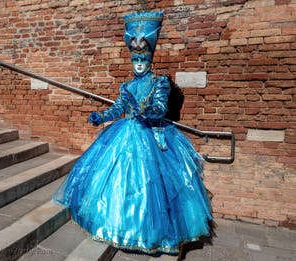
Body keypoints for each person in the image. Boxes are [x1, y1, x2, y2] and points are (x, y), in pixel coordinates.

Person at [53, 11, 213, 254]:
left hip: (150, 136)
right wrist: (102, 117)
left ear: (150, 62)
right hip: (124, 133)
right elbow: (118, 108)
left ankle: (154, 232)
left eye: (142, 61)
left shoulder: (160, 83)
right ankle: (115, 223)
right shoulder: (126, 85)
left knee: (151, 184)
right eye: (135, 61)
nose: (138, 65)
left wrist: (148, 111)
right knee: (116, 179)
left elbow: (160, 109)